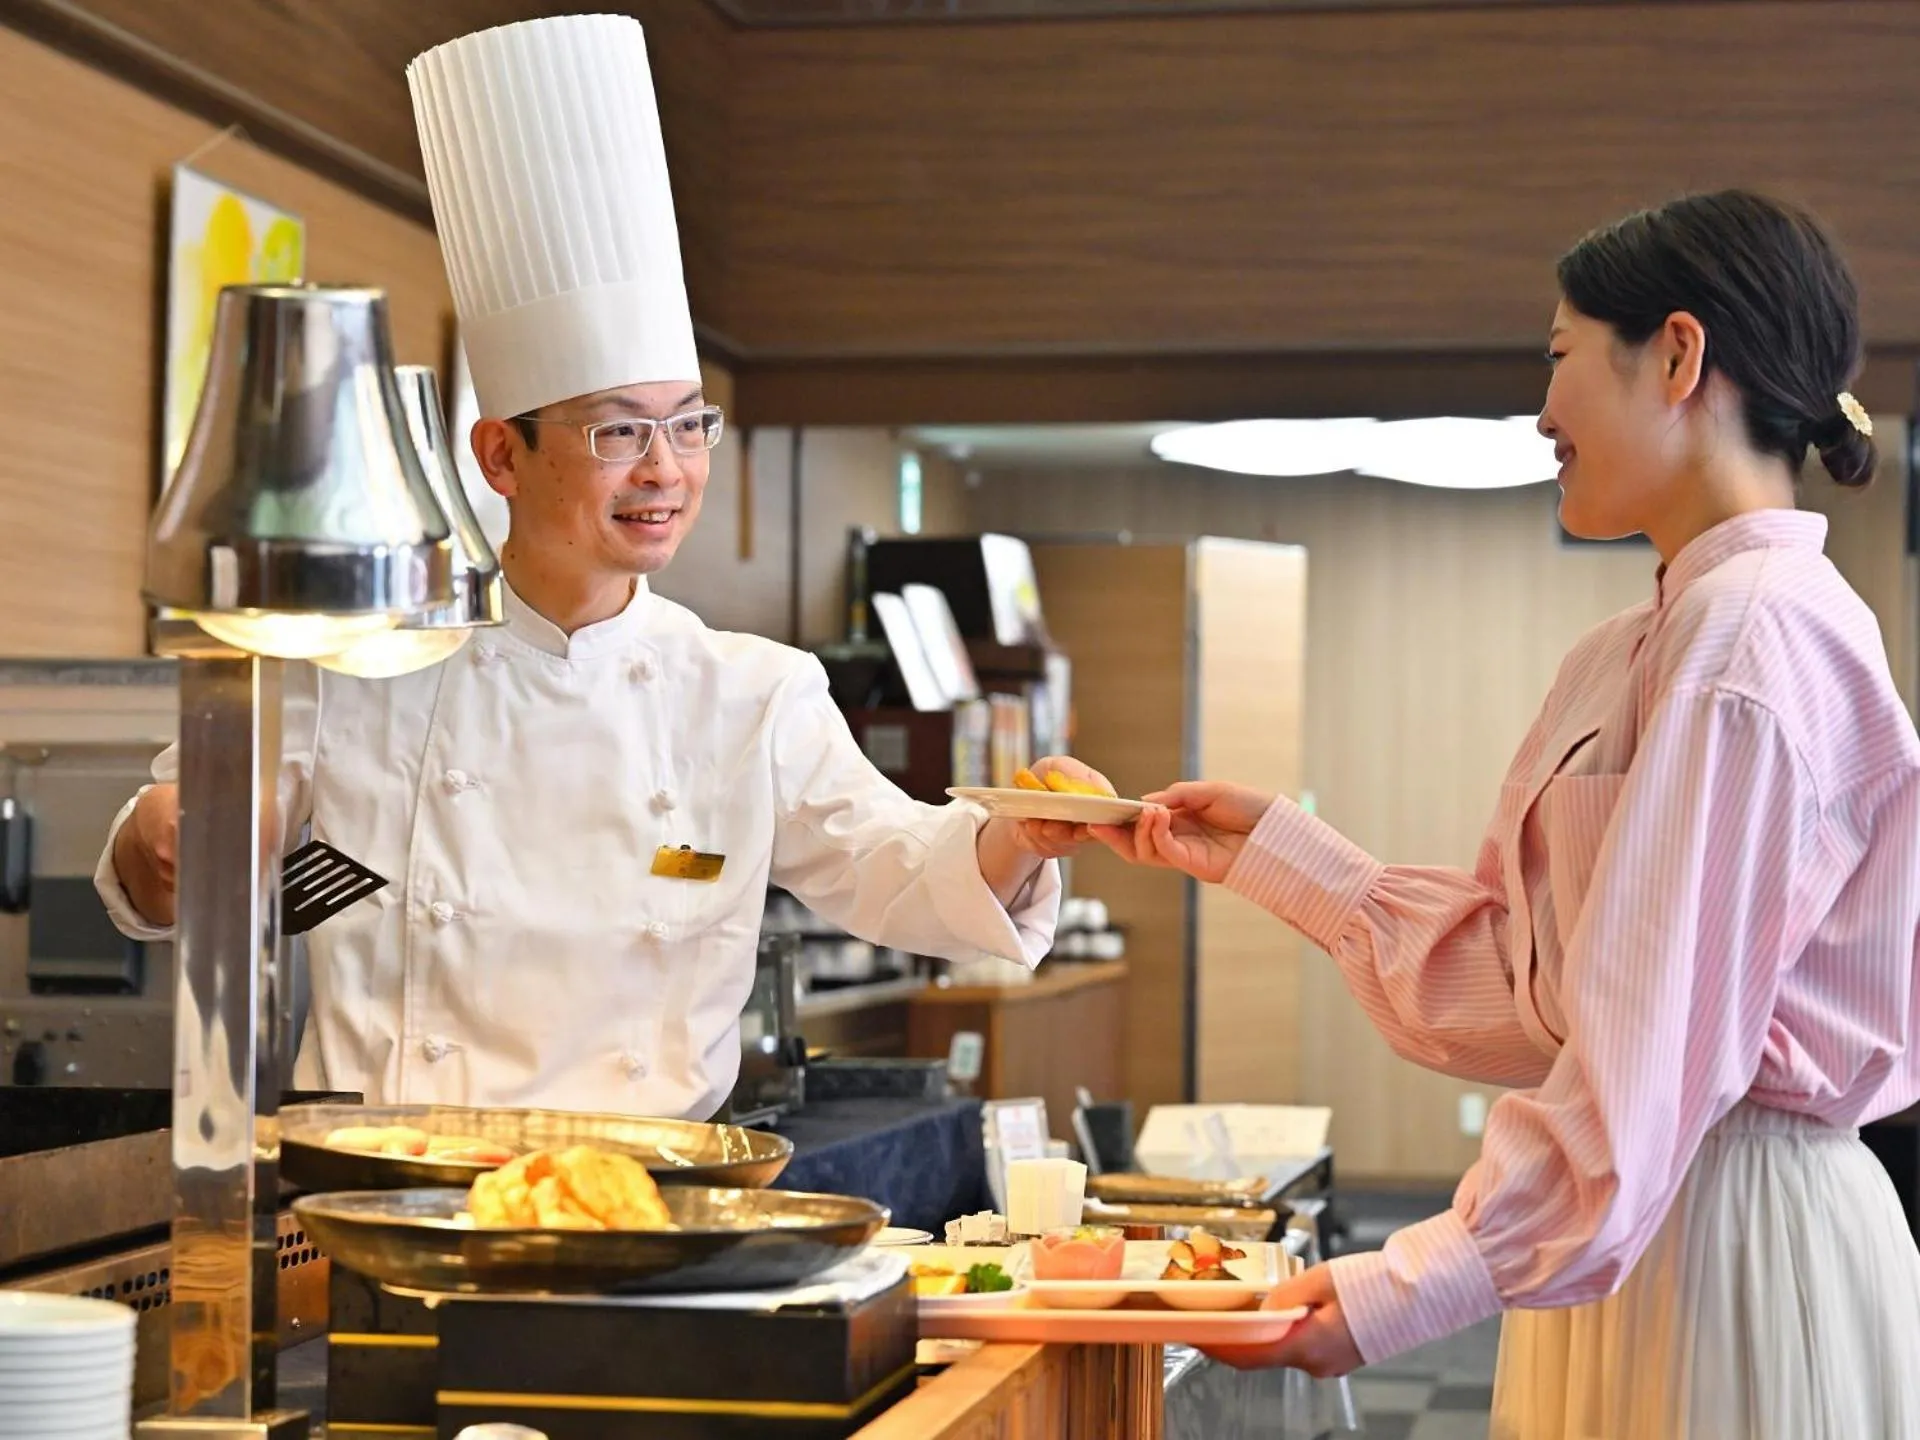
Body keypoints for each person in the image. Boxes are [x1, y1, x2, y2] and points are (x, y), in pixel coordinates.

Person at [97, 13, 1100, 1122]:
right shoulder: (354, 669)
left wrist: (1021, 835)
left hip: (645, 1204)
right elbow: (172, 880)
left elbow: (900, 868)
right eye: (618, 432)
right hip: (386, 1198)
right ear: (500, 454)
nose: (665, 470)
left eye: (688, 426)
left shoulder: (751, 693)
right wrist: (162, 835)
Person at [1096, 191, 1920, 1438]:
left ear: (1680, 357)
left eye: (1559, 357)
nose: (1542, 412)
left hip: (1727, 1235)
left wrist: (1405, 1284)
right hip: (1629, 1231)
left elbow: (1649, 1054)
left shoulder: (1751, 640)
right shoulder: (1638, 644)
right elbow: (1541, 989)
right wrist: (1277, 855)